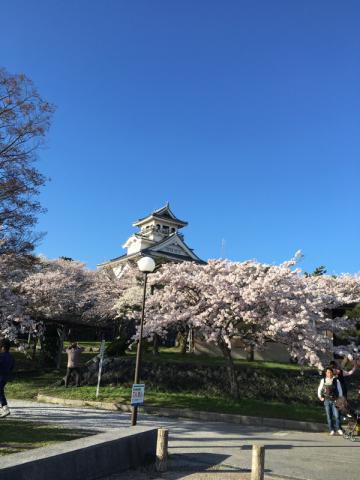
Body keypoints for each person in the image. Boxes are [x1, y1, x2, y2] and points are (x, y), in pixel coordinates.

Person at [318, 366, 344, 435]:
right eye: (327, 372)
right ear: (326, 373)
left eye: (330, 372)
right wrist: (320, 397)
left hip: (335, 400)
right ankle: (331, 429)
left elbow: (340, 390)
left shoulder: (336, 380)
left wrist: (340, 399)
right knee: (329, 416)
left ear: (332, 373)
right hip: (326, 401)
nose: (329, 373)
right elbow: (319, 389)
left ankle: (338, 428)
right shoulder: (323, 380)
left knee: (337, 415)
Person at [0, 338, 15, 418]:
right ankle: (4, 407)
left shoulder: (1, 356)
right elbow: (12, 367)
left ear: (2, 347)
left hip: (1, 376)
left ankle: (5, 408)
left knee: (0, 392)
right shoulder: (11, 356)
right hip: (6, 376)